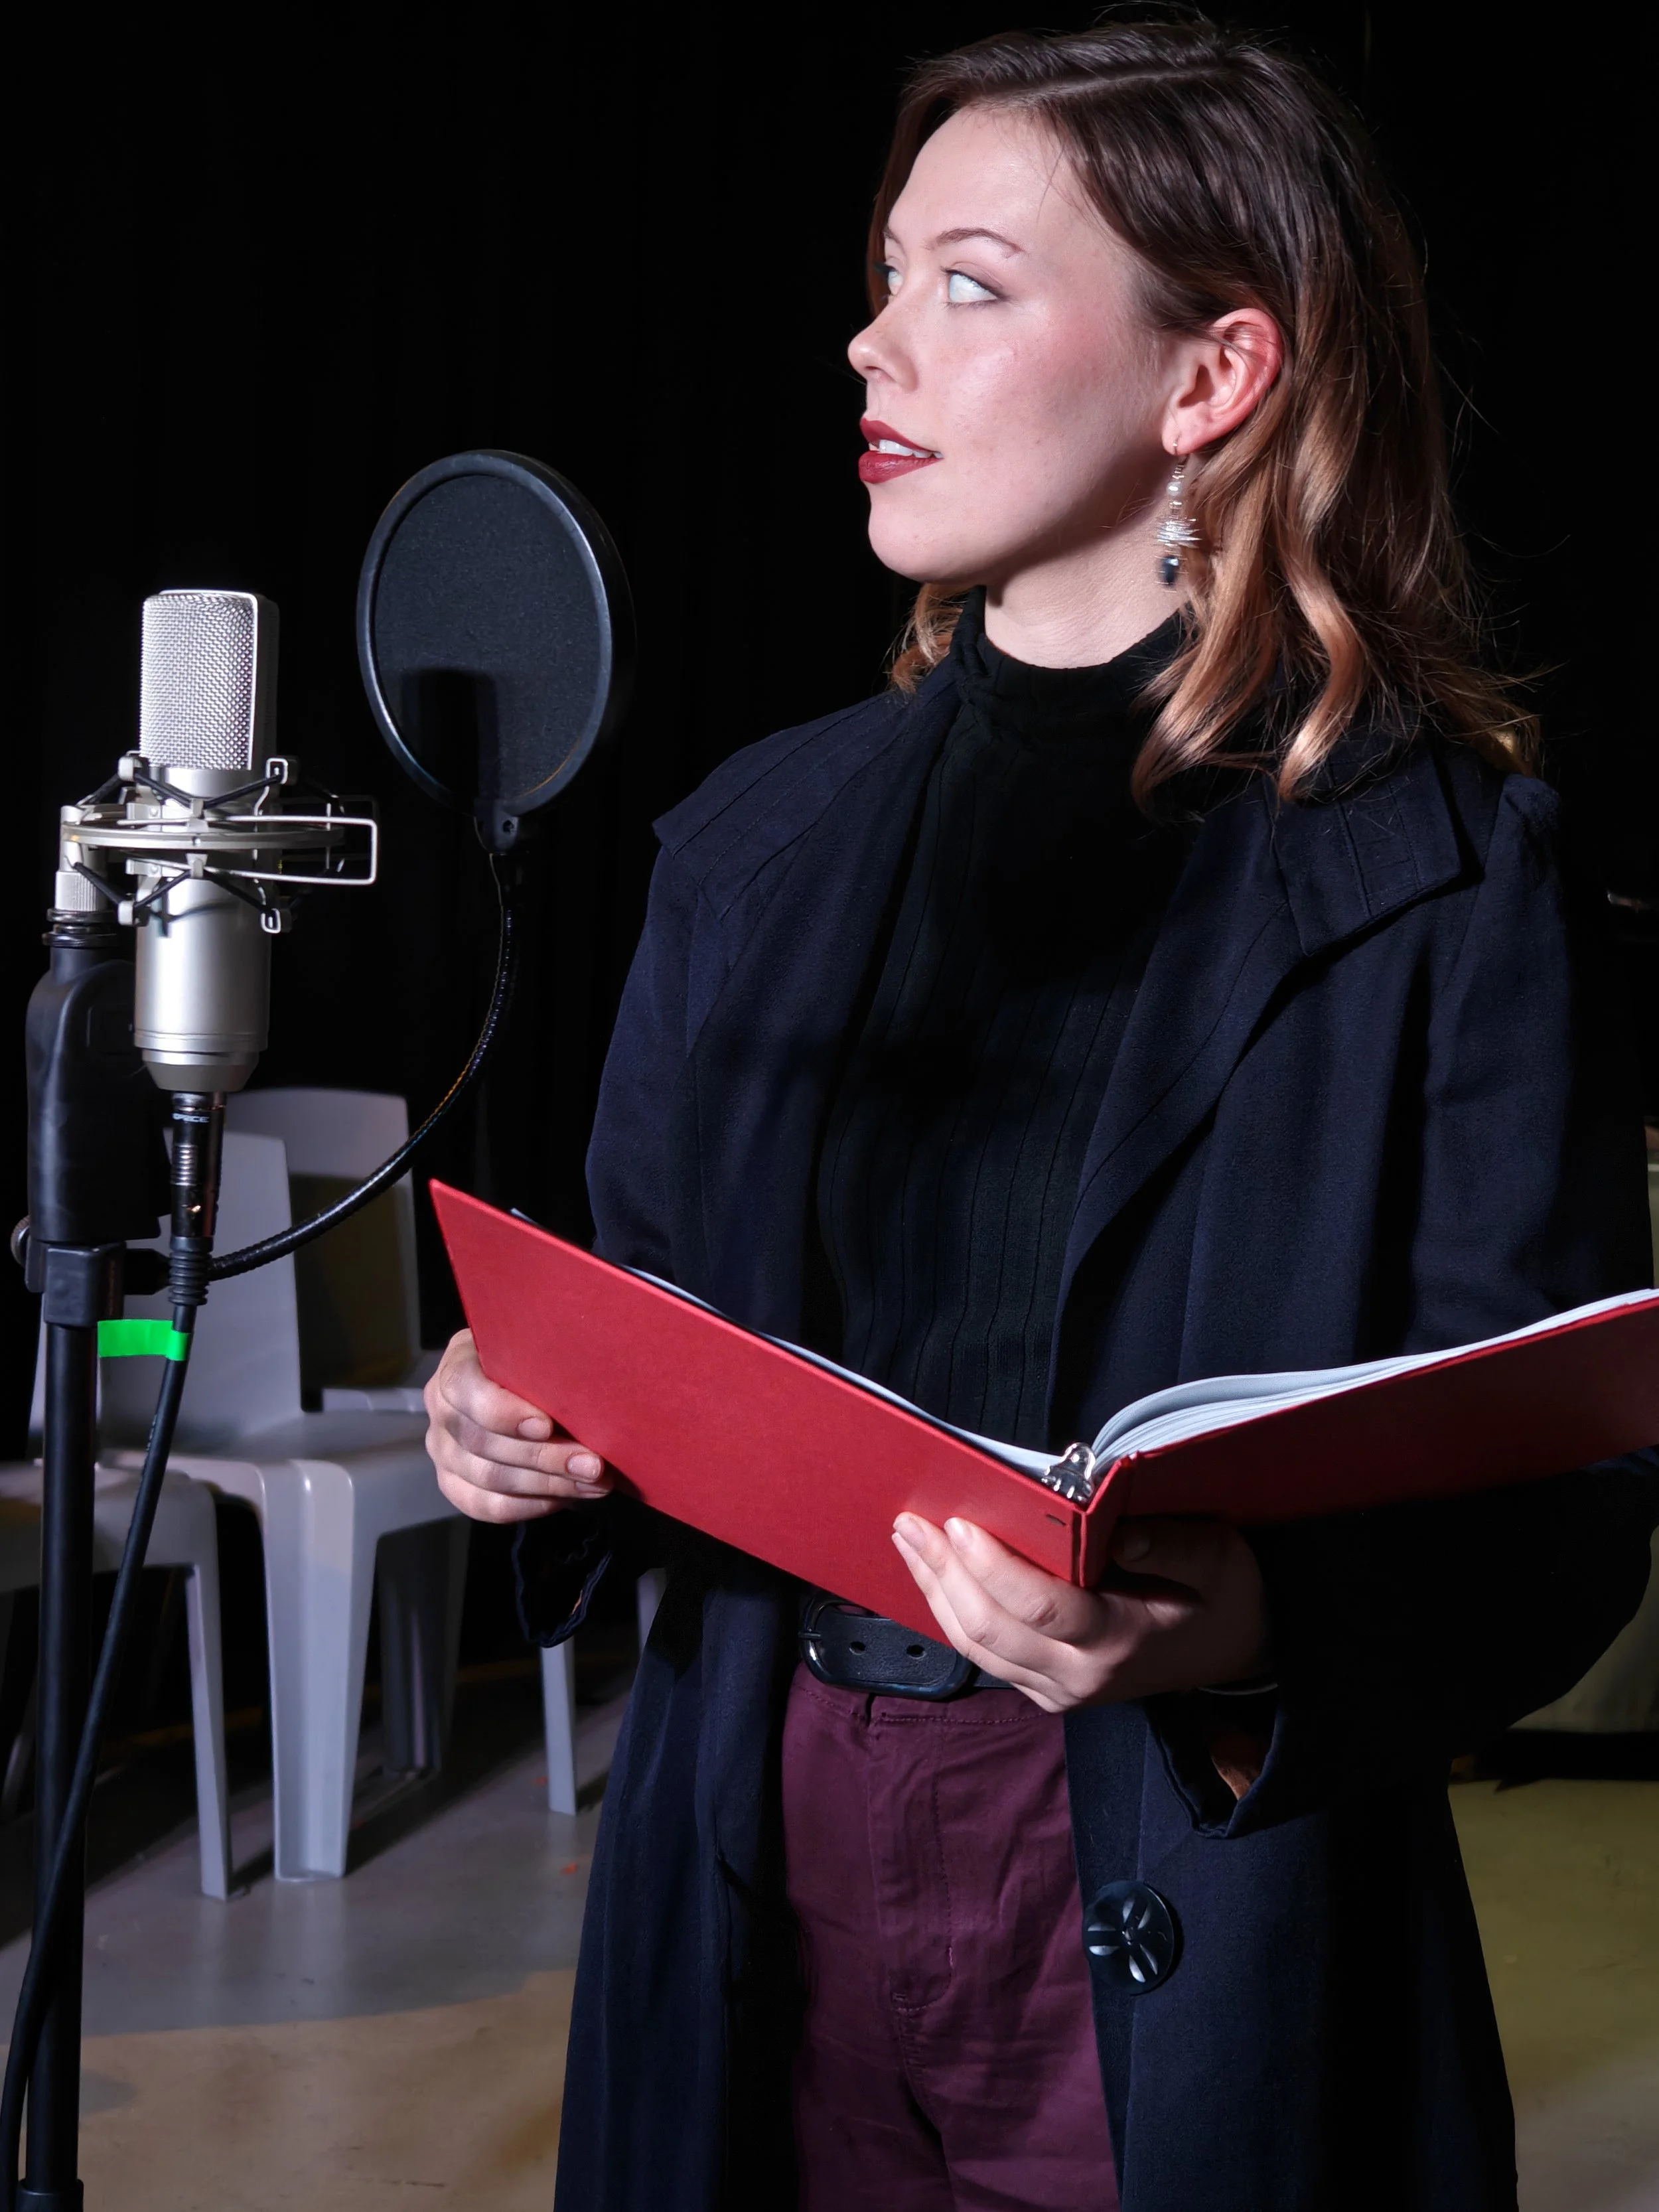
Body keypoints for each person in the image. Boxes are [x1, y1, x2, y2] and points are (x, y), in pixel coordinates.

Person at [423, 20, 1659, 2211]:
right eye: (885, 273)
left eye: (967, 283)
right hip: (755, 1829)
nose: (869, 338)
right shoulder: (746, 842)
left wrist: (1246, 1626)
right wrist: (521, 1422)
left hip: (1174, 1869)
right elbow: (642, 1326)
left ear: (1211, 378)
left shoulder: (1451, 875)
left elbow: (1555, 1504)